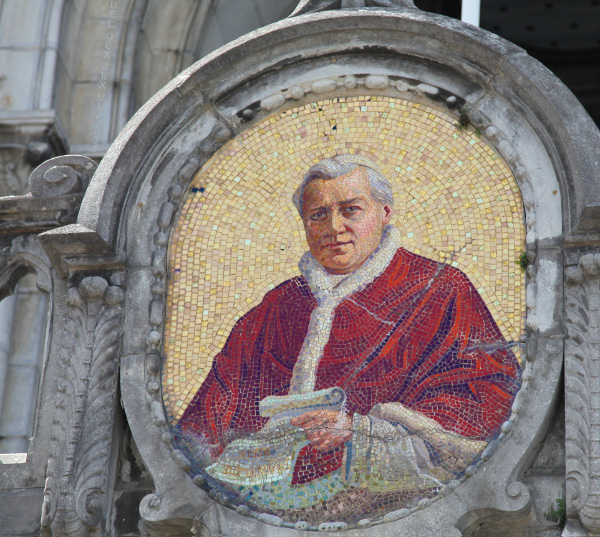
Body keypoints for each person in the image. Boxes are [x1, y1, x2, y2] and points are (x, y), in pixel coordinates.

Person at [176, 154, 521, 520]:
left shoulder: (441, 290)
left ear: (384, 212)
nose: (334, 227)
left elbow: (486, 403)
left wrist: (360, 432)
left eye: (351, 210)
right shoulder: (276, 307)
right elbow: (206, 423)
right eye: (318, 215)